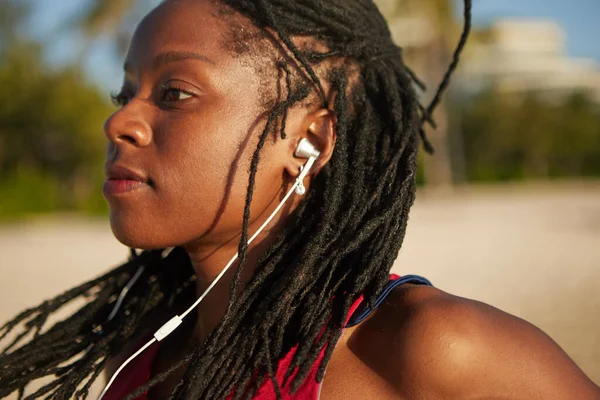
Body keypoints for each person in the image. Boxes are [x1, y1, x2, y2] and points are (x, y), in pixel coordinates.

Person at [1, 0, 599, 399]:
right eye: (125, 91)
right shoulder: (144, 357)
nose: (119, 122)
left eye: (175, 93)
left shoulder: (430, 350)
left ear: (308, 139)